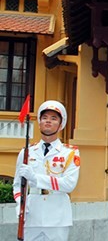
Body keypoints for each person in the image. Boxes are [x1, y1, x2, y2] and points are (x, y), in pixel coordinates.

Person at [13, 100, 81, 241]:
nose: (48, 121)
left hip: (57, 216)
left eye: (53, 118)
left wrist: (35, 178)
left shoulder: (69, 153)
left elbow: (69, 184)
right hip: (32, 214)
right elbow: (17, 184)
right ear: (39, 122)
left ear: (61, 125)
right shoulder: (27, 152)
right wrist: (20, 203)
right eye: (44, 118)